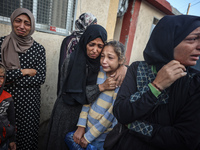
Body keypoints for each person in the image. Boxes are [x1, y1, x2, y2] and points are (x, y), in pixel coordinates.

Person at [113, 15, 200, 150]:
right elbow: (120, 112)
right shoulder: (138, 69)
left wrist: (134, 125)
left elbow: (184, 139)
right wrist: (156, 87)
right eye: (193, 39)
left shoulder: (194, 83)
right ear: (168, 39)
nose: (199, 46)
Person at [45, 25, 127, 150]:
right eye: (91, 44)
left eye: (100, 46)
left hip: (87, 119)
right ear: (84, 43)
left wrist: (124, 67)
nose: (95, 50)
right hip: (68, 112)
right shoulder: (71, 61)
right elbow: (68, 92)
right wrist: (101, 87)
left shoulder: (100, 65)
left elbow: (115, 58)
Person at [0, 8, 46, 150]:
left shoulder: (39, 49)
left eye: (27, 23)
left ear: (31, 26)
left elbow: (40, 78)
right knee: (4, 136)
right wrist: (24, 71)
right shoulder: (2, 44)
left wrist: (10, 78)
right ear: (12, 21)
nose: (22, 26)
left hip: (29, 104)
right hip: (4, 102)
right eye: (18, 21)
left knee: (26, 138)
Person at [72, 41, 126, 150]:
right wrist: (81, 124)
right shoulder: (98, 72)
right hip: (87, 126)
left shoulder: (120, 82)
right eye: (102, 56)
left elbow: (110, 115)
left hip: (103, 134)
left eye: (110, 57)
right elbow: (88, 99)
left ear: (120, 60)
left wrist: (89, 137)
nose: (104, 61)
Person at [57, 13, 97, 94]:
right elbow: (63, 64)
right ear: (85, 24)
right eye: (93, 25)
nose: (94, 29)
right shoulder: (70, 41)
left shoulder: (91, 41)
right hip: (69, 81)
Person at [0, 63, 16, 150]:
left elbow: (12, 120)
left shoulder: (8, 97)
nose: (0, 80)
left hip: (3, 142)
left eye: (2, 76)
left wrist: (12, 140)